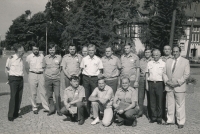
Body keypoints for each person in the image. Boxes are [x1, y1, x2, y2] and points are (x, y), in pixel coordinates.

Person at [163, 46, 190, 129]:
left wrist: (178, 83)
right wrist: (167, 81)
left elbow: (186, 74)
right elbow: (164, 73)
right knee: (170, 104)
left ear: (180, 52)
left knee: (180, 105)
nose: (175, 53)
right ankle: (170, 120)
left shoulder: (185, 61)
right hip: (169, 86)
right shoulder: (168, 61)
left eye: (176, 51)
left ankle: (180, 122)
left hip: (179, 87)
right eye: (174, 51)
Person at [25, 43, 49, 114]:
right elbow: (26, 67)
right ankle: (34, 107)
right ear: (32, 50)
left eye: (37, 49)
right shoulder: (29, 57)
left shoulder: (42, 56)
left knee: (43, 92)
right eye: (34, 49)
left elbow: (44, 66)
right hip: (32, 74)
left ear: (39, 49)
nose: (36, 51)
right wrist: (30, 75)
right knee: (33, 93)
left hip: (41, 75)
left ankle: (46, 107)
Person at [80, 44, 103, 116]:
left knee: (94, 96)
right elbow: (81, 69)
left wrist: (98, 79)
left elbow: (101, 70)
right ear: (87, 51)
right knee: (86, 96)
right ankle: (87, 112)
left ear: (95, 51)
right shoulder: (84, 59)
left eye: (92, 50)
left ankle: (96, 112)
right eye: (89, 50)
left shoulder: (98, 59)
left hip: (94, 78)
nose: (91, 52)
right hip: (86, 78)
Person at [145, 49, 165, 124]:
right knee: (152, 101)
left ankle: (159, 117)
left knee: (159, 101)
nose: (155, 56)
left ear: (160, 55)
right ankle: (153, 117)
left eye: (157, 55)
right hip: (151, 83)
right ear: (152, 55)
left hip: (160, 83)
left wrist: (165, 85)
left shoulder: (163, 64)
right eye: (154, 55)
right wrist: (146, 84)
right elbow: (147, 74)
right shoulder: (149, 63)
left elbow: (164, 75)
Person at [5, 43, 24, 121]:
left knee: (19, 97)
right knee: (13, 97)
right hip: (13, 79)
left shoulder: (21, 58)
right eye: (22, 50)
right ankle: (10, 115)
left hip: (20, 79)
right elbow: (6, 70)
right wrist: (9, 79)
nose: (23, 51)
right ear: (18, 51)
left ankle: (16, 113)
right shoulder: (11, 58)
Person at [43, 43, 62, 116]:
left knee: (57, 95)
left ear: (55, 50)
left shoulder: (59, 57)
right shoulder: (45, 58)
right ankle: (51, 109)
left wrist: (56, 74)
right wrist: (47, 75)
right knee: (49, 95)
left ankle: (58, 110)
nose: (51, 51)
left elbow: (61, 68)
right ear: (48, 50)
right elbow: (44, 68)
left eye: (53, 49)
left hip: (56, 79)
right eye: (50, 49)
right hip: (48, 79)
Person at [138, 48, 153, 118]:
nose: (147, 53)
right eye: (146, 52)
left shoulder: (153, 60)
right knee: (140, 96)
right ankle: (140, 111)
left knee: (150, 96)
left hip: (150, 79)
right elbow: (138, 70)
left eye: (148, 52)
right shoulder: (141, 61)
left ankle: (149, 112)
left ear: (151, 53)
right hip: (142, 79)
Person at [160, 45, 173, 121]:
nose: (167, 50)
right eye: (165, 49)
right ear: (163, 50)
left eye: (168, 49)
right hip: (161, 80)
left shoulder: (173, 58)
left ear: (171, 50)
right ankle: (162, 114)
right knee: (162, 98)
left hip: (170, 81)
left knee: (170, 99)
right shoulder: (160, 58)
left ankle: (170, 115)